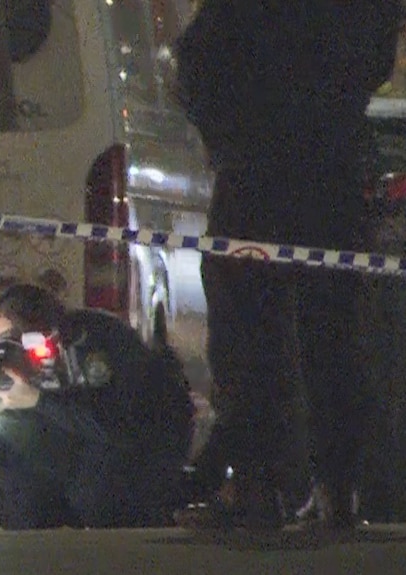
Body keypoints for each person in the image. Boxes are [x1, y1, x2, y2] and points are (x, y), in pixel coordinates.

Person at [172, 0, 401, 530]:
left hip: (256, 170)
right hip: (330, 167)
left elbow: (202, 57)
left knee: (248, 330)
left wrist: (226, 133)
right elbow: (372, 58)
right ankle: (337, 488)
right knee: (335, 329)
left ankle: (257, 482)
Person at [0, 283, 194, 530]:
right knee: (16, 505)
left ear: (44, 333)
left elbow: (120, 426)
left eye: (11, 343)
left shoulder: (96, 342)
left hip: (137, 444)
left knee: (96, 498)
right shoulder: (13, 366)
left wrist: (39, 400)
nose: (7, 353)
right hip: (78, 442)